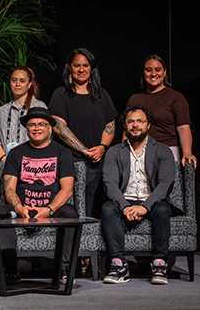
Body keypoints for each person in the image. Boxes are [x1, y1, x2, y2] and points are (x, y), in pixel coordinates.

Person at [0, 107, 77, 284]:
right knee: (1, 212)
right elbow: (9, 189)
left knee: (70, 213)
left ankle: (64, 268)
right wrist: (19, 208)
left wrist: (49, 209)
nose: (36, 128)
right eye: (32, 124)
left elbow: (67, 189)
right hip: (23, 206)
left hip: (52, 207)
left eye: (41, 124)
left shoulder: (63, 153)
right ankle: (10, 270)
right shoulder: (16, 153)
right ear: (27, 129)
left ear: (49, 129)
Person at [101, 105, 175, 285]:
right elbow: (109, 183)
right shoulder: (115, 151)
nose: (135, 125)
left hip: (152, 201)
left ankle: (159, 264)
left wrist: (144, 207)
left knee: (163, 209)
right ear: (125, 126)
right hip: (125, 200)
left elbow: (165, 184)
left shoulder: (163, 150)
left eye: (140, 121)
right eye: (131, 121)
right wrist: (125, 206)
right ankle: (119, 265)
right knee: (108, 208)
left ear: (148, 125)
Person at [49, 48, 117, 218]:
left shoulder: (101, 95)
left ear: (91, 68)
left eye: (85, 65)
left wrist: (102, 147)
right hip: (71, 162)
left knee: (96, 211)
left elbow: (110, 123)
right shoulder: (61, 94)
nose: (81, 69)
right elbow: (59, 127)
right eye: (77, 65)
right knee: (74, 210)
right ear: (70, 68)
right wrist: (84, 150)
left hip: (98, 162)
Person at [126, 55, 196, 168]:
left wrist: (187, 152)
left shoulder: (175, 97)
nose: (153, 74)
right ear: (143, 73)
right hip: (138, 152)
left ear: (164, 72)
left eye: (158, 69)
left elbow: (183, 128)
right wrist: (124, 154)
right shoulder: (134, 99)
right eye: (148, 70)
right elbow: (127, 130)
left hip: (167, 151)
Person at [0, 66, 48, 161]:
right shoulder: (1, 111)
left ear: (29, 84)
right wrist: (3, 158)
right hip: (6, 162)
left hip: (33, 162)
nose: (17, 84)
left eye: (22, 81)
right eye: (14, 80)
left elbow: (46, 136)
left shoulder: (38, 107)